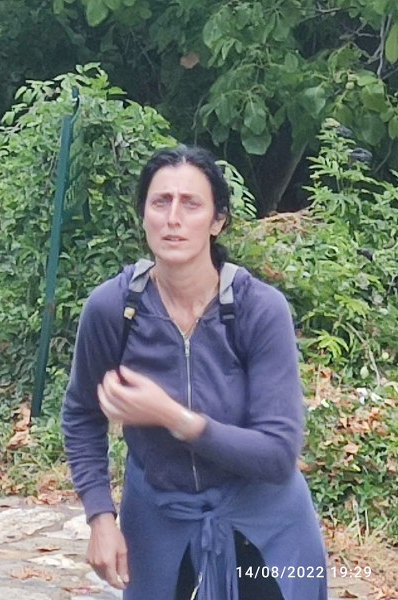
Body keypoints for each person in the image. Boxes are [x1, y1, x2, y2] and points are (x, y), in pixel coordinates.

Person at [62, 145, 328, 600]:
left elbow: (277, 454)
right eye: (160, 202)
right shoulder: (114, 309)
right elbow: (81, 415)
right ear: (143, 215)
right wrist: (100, 517)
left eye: (191, 204)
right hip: (158, 522)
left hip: (265, 523)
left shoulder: (258, 310)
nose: (173, 218)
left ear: (217, 220)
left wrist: (172, 416)